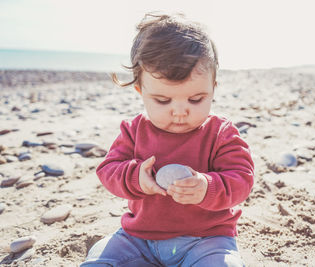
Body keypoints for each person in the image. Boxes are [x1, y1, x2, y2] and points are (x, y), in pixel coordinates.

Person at [81, 12, 254, 267]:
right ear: (140, 90)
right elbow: (108, 170)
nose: (181, 111)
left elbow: (242, 178)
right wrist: (135, 177)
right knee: (101, 260)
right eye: (163, 101)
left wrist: (207, 186)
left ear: (213, 87)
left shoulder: (220, 133)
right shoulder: (134, 130)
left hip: (207, 240)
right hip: (138, 239)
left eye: (196, 99)